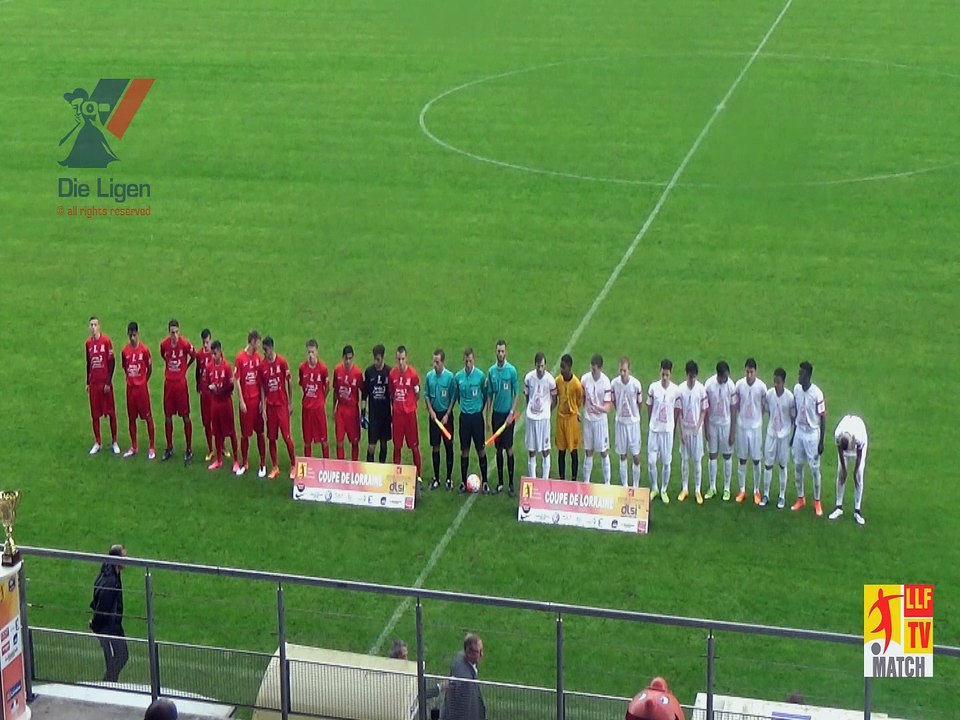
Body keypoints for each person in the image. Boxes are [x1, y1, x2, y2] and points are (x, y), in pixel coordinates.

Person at [791, 361, 826, 516]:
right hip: (799, 432)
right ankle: (801, 498)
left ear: (808, 376)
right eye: (799, 373)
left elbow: (823, 417)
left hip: (812, 434)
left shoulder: (817, 393)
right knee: (798, 466)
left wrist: (821, 441)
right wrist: (793, 436)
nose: (799, 376)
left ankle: (817, 501)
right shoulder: (797, 390)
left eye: (802, 374)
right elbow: (796, 413)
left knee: (814, 469)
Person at [159, 320, 196, 464]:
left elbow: (193, 356)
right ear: (169, 332)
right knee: (168, 416)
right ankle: (169, 447)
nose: (174, 335)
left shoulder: (185, 344)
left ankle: (188, 449)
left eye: (176, 332)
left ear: (179, 332)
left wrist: (185, 368)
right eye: (172, 332)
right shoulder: (164, 345)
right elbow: (163, 355)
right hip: (169, 384)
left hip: (181, 385)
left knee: (185, 416)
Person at [90, 544, 128, 683]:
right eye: (124, 557)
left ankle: (110, 683)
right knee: (121, 656)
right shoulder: (110, 581)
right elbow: (103, 606)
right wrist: (95, 625)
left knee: (116, 658)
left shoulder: (110, 574)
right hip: (109, 627)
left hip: (111, 625)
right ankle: (108, 683)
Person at [486, 340, 520, 494]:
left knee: (509, 448)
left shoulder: (511, 371)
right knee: (498, 449)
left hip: (508, 415)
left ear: (506, 352)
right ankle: (500, 483)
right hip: (497, 415)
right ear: (496, 352)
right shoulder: (492, 371)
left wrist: (511, 413)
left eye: (502, 351)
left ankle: (511, 484)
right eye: (498, 351)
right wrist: (488, 416)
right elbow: (490, 396)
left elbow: (517, 393)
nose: (500, 354)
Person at [260, 337, 296, 480]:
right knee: (272, 438)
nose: (265, 353)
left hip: (281, 405)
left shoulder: (281, 362)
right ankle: (275, 466)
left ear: (272, 348)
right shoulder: (262, 366)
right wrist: (263, 406)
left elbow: (289, 382)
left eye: (266, 350)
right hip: (270, 407)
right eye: (263, 350)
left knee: (287, 437)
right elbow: (262, 387)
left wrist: (290, 403)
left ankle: (294, 464)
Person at [732, 358, 767, 505]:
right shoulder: (739, 385)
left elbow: (765, 406)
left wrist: (758, 418)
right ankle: (742, 490)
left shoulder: (761, 387)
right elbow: (736, 404)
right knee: (742, 458)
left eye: (751, 372)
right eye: (747, 371)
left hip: (755, 428)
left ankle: (756, 491)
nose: (749, 375)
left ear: (756, 372)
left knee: (756, 459)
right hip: (742, 426)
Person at [454, 348, 488, 493]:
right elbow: (457, 396)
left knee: (481, 449)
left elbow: (485, 394)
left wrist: (479, 408)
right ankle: (463, 481)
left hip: (477, 417)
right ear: (464, 360)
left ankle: (485, 481)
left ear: (474, 360)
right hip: (464, 418)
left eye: (470, 361)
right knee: (464, 450)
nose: (468, 364)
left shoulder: (480, 376)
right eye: (466, 361)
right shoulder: (458, 377)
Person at [120, 322, 155, 459]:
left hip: (141, 390)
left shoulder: (144, 351)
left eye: (134, 335)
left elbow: (149, 368)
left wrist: (143, 380)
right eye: (130, 335)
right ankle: (134, 446)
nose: (132, 338)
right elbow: (125, 368)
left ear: (137, 334)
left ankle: (152, 447)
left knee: (147, 417)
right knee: (131, 418)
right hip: (130, 390)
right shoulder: (125, 351)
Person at [647, 359, 680, 503]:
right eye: (663, 374)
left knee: (667, 462)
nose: (664, 377)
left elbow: (677, 409)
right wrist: (652, 422)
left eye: (667, 375)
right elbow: (649, 406)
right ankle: (654, 488)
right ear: (660, 371)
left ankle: (664, 490)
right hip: (655, 430)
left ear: (670, 374)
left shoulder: (675, 390)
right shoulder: (653, 388)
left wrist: (673, 425)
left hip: (667, 431)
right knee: (651, 461)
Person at [85, 316, 119, 455]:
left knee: (111, 413)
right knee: (95, 414)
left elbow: (112, 362)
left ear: (99, 326)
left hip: (105, 384)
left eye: (95, 325)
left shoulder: (106, 341)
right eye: (91, 325)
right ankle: (98, 442)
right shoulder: (88, 343)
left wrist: (108, 382)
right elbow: (89, 363)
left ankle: (114, 441)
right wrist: (88, 382)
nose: (93, 327)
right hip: (94, 384)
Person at [389, 346, 423, 482]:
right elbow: (392, 392)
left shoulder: (413, 375)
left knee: (414, 446)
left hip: (409, 416)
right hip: (397, 416)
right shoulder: (392, 374)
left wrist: (410, 405)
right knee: (397, 446)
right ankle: (396, 475)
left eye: (403, 359)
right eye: (398, 359)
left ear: (406, 358)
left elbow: (417, 393)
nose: (401, 362)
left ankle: (418, 476)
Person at [234, 330, 266, 477]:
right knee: (245, 435)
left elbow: (261, 382)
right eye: (258, 342)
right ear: (252, 341)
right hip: (246, 403)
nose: (259, 345)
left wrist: (262, 401)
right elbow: (237, 380)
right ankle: (245, 463)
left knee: (260, 433)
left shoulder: (258, 358)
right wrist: (241, 400)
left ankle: (263, 464)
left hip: (257, 402)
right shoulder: (240, 358)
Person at [763, 368, 795, 509]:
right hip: (771, 434)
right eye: (774, 381)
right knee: (768, 464)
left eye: (778, 382)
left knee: (782, 465)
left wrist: (790, 434)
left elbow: (793, 417)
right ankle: (766, 494)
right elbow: (768, 411)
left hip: (784, 436)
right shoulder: (769, 394)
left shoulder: (789, 397)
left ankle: (782, 495)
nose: (776, 385)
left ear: (783, 382)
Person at [703, 361, 736, 500]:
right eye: (724, 377)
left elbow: (733, 409)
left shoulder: (731, 386)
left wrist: (732, 431)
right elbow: (705, 408)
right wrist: (706, 429)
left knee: (727, 456)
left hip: (725, 425)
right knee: (712, 455)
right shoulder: (709, 385)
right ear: (718, 375)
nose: (726, 379)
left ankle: (727, 488)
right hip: (712, 424)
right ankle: (712, 487)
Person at [206, 341, 240, 472]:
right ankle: (219, 460)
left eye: (215, 354)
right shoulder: (209, 368)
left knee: (231, 432)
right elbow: (208, 385)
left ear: (220, 352)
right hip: (215, 404)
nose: (213, 356)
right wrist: (211, 390)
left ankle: (236, 461)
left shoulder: (226, 367)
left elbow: (231, 387)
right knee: (217, 432)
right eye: (211, 354)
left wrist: (217, 390)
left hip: (225, 403)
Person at [677, 360, 708, 503]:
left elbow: (704, 410)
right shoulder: (680, 389)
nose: (692, 379)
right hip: (685, 430)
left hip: (696, 431)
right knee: (684, 460)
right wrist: (682, 431)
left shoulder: (701, 389)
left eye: (694, 376)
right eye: (690, 376)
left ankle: (697, 490)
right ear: (687, 375)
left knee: (697, 461)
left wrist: (698, 426)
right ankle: (685, 488)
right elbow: (679, 411)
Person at [610, 358, 643, 488]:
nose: (622, 373)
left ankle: (635, 485)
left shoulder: (636, 385)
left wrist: (634, 416)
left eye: (624, 370)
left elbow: (639, 404)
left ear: (629, 370)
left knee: (635, 455)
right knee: (622, 455)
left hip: (633, 424)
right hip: (621, 424)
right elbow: (613, 401)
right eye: (621, 371)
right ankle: (624, 485)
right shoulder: (614, 383)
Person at [523, 352, 557, 480]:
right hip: (532, 419)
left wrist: (547, 411)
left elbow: (554, 399)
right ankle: (532, 479)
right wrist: (530, 409)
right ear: (535, 365)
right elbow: (526, 395)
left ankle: (544, 479)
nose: (540, 369)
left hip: (543, 420)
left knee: (545, 450)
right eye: (538, 366)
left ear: (545, 366)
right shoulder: (529, 378)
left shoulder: (550, 380)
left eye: (542, 366)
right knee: (531, 450)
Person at [426, 349, 456, 490]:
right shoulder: (429, 376)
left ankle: (449, 478)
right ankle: (436, 478)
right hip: (434, 416)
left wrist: (447, 414)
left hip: (445, 417)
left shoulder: (450, 377)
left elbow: (452, 397)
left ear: (443, 362)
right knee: (435, 446)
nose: (435, 364)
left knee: (448, 446)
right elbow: (426, 395)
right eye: (434, 361)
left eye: (437, 362)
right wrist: (431, 411)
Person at [580, 354, 613, 484]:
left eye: (594, 369)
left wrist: (597, 407)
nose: (592, 372)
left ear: (600, 368)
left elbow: (608, 407)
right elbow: (581, 397)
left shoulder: (605, 382)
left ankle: (607, 483)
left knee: (604, 452)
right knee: (588, 451)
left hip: (600, 422)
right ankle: (586, 482)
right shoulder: (585, 379)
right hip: (588, 420)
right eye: (591, 368)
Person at [831, 414, 868, 525]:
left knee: (859, 475)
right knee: (841, 473)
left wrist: (854, 471)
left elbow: (859, 455)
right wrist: (844, 468)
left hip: (860, 447)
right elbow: (840, 452)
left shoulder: (858, 437)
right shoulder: (838, 434)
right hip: (846, 447)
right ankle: (838, 506)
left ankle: (857, 510)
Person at [442, 634, 486, 720]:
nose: (482, 655)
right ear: (469, 653)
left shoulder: (460, 658)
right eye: (478, 652)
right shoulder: (465, 682)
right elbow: (463, 713)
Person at [299, 339, 330, 458]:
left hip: (318, 409)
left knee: (324, 439)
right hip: (307, 409)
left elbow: (327, 388)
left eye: (312, 352)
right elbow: (303, 385)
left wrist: (321, 399)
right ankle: (307, 465)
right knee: (307, 441)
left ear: (317, 351)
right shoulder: (302, 368)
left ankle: (326, 464)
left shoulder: (323, 369)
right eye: (308, 352)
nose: (310, 355)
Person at [555, 354, 584, 481]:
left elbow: (579, 400)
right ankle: (561, 478)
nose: (561, 370)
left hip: (571, 419)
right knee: (561, 450)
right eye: (561, 367)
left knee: (573, 450)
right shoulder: (558, 381)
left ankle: (573, 479)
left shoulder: (577, 384)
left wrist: (575, 411)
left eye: (563, 367)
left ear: (569, 367)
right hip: (561, 418)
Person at [362, 344, 392, 464]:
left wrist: (394, 415)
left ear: (383, 358)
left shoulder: (389, 372)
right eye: (374, 359)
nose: (376, 361)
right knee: (371, 446)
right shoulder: (369, 372)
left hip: (385, 415)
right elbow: (364, 394)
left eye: (378, 359)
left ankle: (382, 469)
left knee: (384, 444)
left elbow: (393, 395)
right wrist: (363, 412)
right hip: (374, 416)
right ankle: (369, 470)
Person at [333, 345, 364, 462]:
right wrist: (334, 408)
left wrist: (363, 409)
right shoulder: (337, 371)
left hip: (353, 411)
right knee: (339, 441)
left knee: (354, 441)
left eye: (350, 358)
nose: (348, 361)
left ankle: (354, 465)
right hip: (341, 409)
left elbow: (363, 391)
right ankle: (341, 467)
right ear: (343, 358)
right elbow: (335, 390)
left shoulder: (357, 373)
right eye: (346, 358)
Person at [195, 329, 216, 461]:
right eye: (204, 342)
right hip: (205, 393)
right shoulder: (199, 355)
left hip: (215, 394)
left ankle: (222, 447)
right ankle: (210, 449)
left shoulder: (216, 353)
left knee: (218, 421)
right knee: (207, 422)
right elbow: (198, 371)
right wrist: (198, 386)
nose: (206, 345)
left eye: (207, 342)